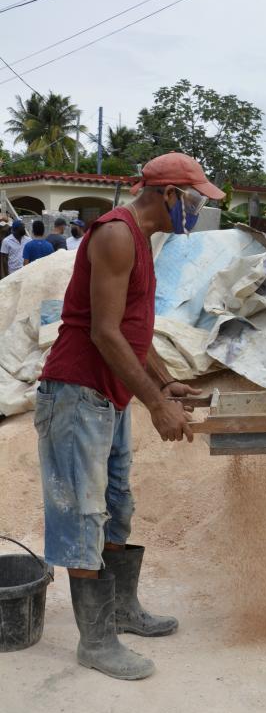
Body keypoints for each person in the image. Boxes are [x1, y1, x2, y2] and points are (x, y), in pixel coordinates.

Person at [36, 152, 224, 680]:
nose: (197, 210)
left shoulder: (144, 239)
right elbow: (103, 332)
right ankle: (95, 642)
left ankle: (121, 610)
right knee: (83, 516)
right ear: (169, 194)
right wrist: (157, 405)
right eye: (195, 199)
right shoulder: (117, 235)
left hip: (109, 397)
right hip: (76, 394)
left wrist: (164, 383)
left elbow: (133, 330)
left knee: (117, 506)